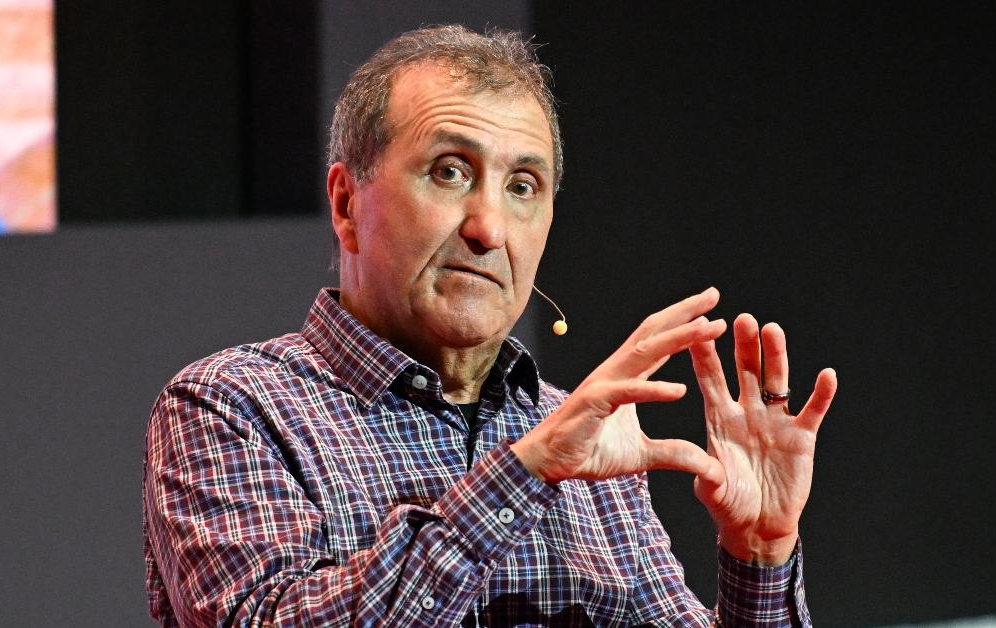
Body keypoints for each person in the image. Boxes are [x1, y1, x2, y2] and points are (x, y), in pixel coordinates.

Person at [143, 24, 837, 627]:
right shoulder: (233, 406)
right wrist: (525, 472)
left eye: (523, 187)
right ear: (347, 202)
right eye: (449, 171)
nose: (489, 227)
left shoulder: (579, 435)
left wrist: (759, 554)